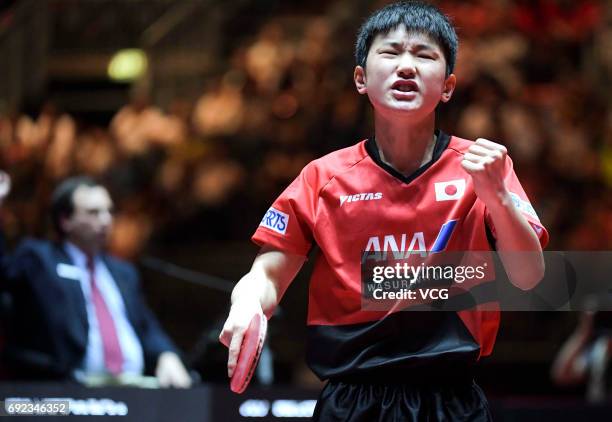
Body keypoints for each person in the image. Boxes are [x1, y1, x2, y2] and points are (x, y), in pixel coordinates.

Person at [219, 2, 548, 420]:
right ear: (361, 78)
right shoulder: (323, 177)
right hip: (351, 401)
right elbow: (267, 273)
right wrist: (248, 302)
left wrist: (497, 196)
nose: (407, 66)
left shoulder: (484, 167)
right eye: (391, 52)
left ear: (447, 86)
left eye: (424, 55)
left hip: (451, 401)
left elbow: (529, 276)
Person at [0, 172, 191, 388]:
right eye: (94, 212)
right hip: (63, 394)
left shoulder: (123, 272)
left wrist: (166, 355)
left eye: (109, 211)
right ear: (65, 220)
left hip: (134, 391)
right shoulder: (39, 260)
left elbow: (147, 327)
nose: (105, 220)